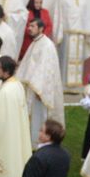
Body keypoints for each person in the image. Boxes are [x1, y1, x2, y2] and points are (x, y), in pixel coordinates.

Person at [14, 15, 63, 143]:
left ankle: (38, 141)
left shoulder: (46, 45)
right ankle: (30, 140)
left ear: (41, 28)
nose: (29, 29)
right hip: (32, 86)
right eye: (28, 26)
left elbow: (45, 69)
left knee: (38, 116)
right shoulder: (36, 42)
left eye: (32, 26)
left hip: (39, 90)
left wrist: (39, 90)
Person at [55, 0, 90, 91]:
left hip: (80, 35)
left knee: (78, 62)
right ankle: (64, 87)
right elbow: (58, 14)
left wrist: (88, 31)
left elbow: (86, 16)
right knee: (65, 60)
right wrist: (58, 34)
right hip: (67, 34)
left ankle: (76, 86)